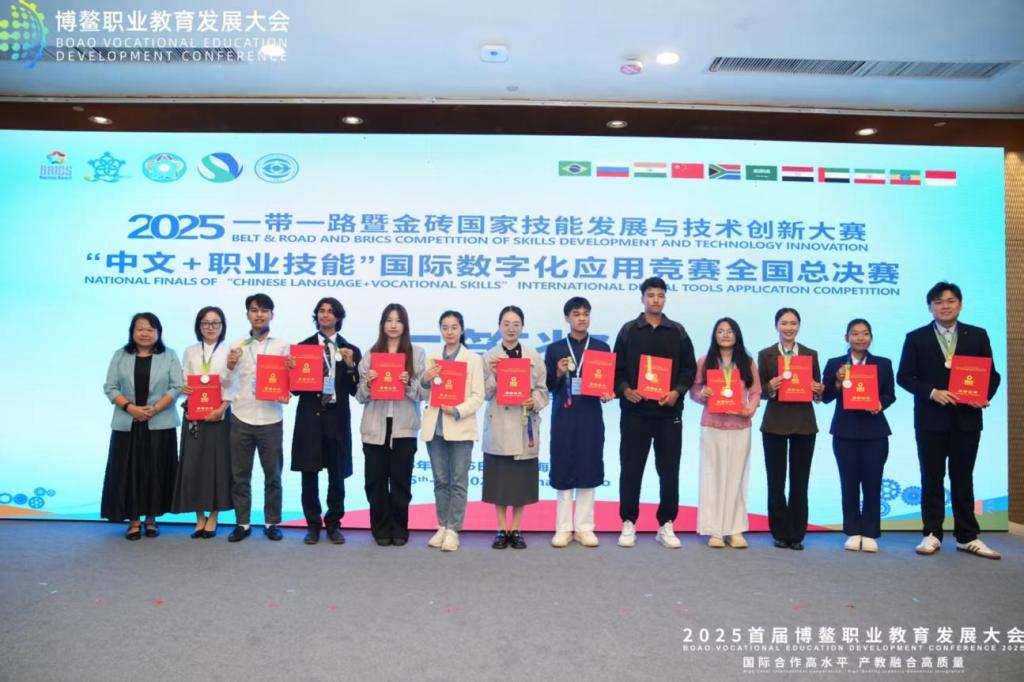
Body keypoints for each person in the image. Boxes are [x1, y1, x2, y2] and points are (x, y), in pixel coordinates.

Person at [897, 282, 1002, 559]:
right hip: (930, 420)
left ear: (960, 304)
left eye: (951, 300)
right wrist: (932, 392)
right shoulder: (916, 337)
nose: (945, 306)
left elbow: (992, 375)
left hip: (967, 419)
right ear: (930, 307)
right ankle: (932, 533)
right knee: (931, 477)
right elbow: (904, 377)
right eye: (939, 301)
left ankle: (967, 536)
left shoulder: (977, 335)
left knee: (963, 477)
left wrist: (983, 395)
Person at [613, 277, 697, 549]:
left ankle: (666, 523)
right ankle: (629, 522)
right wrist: (625, 390)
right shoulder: (628, 330)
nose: (655, 300)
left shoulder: (678, 331)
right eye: (651, 295)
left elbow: (689, 369)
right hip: (635, 412)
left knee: (669, 469)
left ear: (665, 299)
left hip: (668, 413)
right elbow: (616, 369)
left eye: (660, 295)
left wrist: (677, 391)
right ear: (642, 299)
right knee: (631, 468)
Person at [101, 312, 182, 539]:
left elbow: (177, 387)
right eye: (140, 329)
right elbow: (110, 387)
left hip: (159, 423)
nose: (144, 333)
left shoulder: (169, 355)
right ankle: (134, 521)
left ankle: (151, 519)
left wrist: (154, 409)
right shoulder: (120, 355)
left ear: (158, 332)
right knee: (129, 472)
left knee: (155, 471)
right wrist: (130, 408)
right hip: (127, 424)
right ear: (132, 332)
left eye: (150, 329)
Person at [821, 319, 896, 553]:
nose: (860, 338)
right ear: (847, 338)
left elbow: (890, 394)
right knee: (849, 483)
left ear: (871, 338)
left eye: (865, 334)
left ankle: (870, 532)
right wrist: (837, 381)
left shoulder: (883, 364)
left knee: (873, 483)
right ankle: (853, 531)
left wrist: (880, 403)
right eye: (855, 334)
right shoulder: (835, 363)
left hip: (875, 432)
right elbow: (825, 397)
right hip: (845, 431)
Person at [291, 297, 362, 546]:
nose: (325, 315)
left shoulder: (350, 349)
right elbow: (295, 390)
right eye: (321, 311)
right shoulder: (303, 347)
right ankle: (312, 524)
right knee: (309, 474)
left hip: (337, 420)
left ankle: (333, 524)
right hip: (310, 419)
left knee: (336, 474)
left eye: (331, 311)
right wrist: (292, 370)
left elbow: (356, 391)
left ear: (338, 317)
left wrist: (351, 366)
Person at [544, 297, 613, 548]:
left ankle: (584, 527)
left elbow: (607, 384)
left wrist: (607, 393)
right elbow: (547, 386)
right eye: (576, 314)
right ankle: (563, 528)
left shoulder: (602, 348)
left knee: (588, 466)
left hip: (590, 416)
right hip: (563, 415)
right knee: (563, 466)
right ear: (567, 318)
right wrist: (559, 372)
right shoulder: (555, 349)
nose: (582, 318)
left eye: (586, 313)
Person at [356, 303, 426, 546]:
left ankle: (399, 528)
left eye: (398, 320)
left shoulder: (417, 354)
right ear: (382, 324)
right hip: (375, 427)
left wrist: (408, 383)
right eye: (389, 320)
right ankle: (381, 528)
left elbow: (423, 394)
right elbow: (360, 396)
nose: (393, 325)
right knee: (375, 481)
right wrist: (369, 383)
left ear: (405, 325)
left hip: (403, 428)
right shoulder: (371, 354)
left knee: (400, 481)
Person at [688, 317, 761, 549]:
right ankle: (715, 531)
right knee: (712, 476)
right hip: (712, 424)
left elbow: (756, 391)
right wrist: (702, 394)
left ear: (737, 334)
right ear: (714, 335)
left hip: (740, 426)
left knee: (737, 477)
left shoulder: (747, 362)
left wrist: (749, 410)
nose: (725, 335)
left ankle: (735, 529)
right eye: (720, 331)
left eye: (729, 331)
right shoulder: (705, 361)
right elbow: (694, 390)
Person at [224, 293, 290, 542]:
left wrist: (291, 374)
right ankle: (242, 523)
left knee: (273, 476)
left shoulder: (283, 346)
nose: (259, 315)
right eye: (254, 310)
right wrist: (230, 366)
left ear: (272, 314)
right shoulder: (237, 344)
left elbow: (290, 383)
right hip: (241, 417)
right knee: (240, 476)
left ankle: (272, 522)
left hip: (271, 418)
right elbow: (226, 383)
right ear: (247, 315)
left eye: (264, 310)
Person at [482, 305, 549, 550]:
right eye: (506, 324)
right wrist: (493, 375)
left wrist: (535, 402)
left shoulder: (533, 356)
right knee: (499, 482)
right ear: (499, 326)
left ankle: (517, 529)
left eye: (516, 324)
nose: (511, 328)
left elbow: (543, 390)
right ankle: (501, 529)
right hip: (499, 424)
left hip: (524, 424)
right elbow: (484, 393)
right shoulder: (489, 357)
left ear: (522, 327)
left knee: (521, 483)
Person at [757, 307, 824, 551]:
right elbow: (760, 390)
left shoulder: (810, 354)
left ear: (799, 326)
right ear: (776, 326)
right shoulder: (765, 354)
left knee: (799, 481)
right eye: (784, 323)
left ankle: (796, 534)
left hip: (804, 423)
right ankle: (779, 532)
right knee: (775, 481)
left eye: (793, 323)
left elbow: (817, 393)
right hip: (774, 423)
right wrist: (770, 387)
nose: (788, 327)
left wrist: (818, 390)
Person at [420, 310, 485, 552]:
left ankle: (453, 529)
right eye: (445, 327)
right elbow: (422, 392)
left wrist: (457, 410)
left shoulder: (473, 359)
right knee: (440, 480)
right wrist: (425, 379)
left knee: (458, 481)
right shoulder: (432, 358)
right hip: (434, 427)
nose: (449, 332)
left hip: (460, 426)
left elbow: (478, 396)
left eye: (454, 327)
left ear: (462, 330)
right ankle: (442, 525)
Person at [171, 306, 233, 539]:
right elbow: (183, 380)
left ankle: (214, 516)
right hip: (194, 415)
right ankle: (199, 517)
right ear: (199, 326)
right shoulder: (190, 351)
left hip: (220, 415)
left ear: (222, 326)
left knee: (218, 464)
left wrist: (221, 409)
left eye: (215, 323)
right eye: (206, 323)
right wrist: (183, 388)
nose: (210, 327)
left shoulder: (230, 351)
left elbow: (233, 383)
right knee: (193, 464)